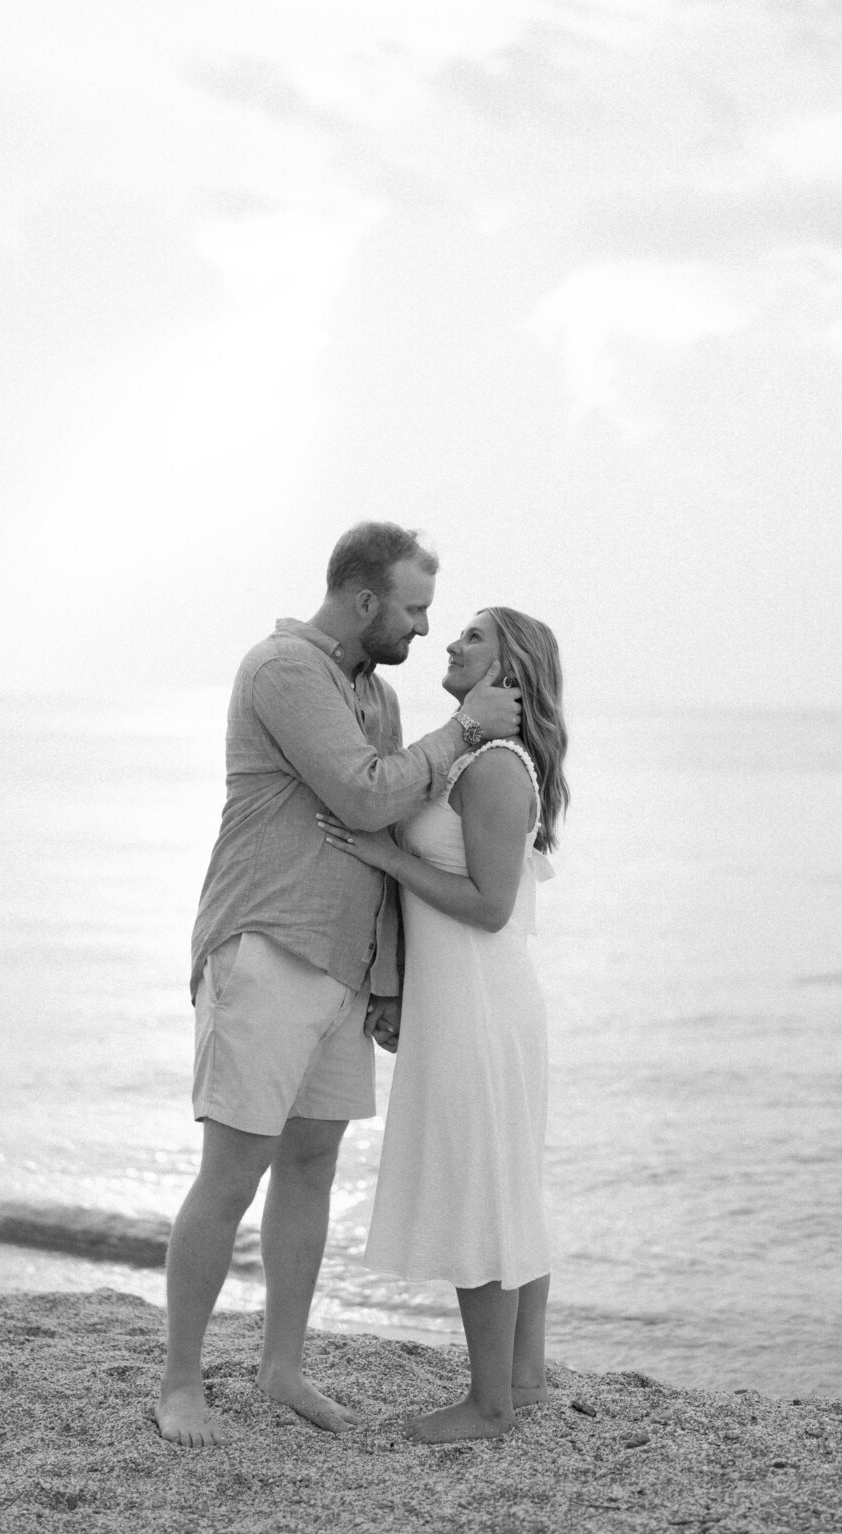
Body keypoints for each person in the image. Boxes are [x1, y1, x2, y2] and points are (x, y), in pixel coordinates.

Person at [155, 523, 523, 1448]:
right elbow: (364, 794)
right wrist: (464, 731)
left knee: (312, 1164)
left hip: (345, 968)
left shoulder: (381, 695)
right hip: (268, 944)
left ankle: (282, 1368)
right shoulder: (284, 669)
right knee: (232, 1171)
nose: (423, 627)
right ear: (365, 602)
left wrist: (389, 979)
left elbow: (388, 841)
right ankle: (180, 1382)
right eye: (412, 609)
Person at [320, 605, 568, 1442]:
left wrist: (388, 856)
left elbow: (491, 907)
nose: (451, 644)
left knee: (479, 1187)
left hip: (482, 1005)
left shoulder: (496, 768)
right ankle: (523, 1380)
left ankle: (490, 1403)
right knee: (503, 1183)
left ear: (511, 671)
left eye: (472, 637)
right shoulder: (474, 751)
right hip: (467, 999)